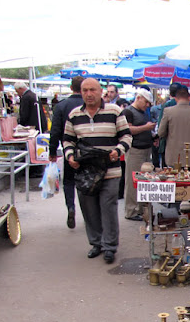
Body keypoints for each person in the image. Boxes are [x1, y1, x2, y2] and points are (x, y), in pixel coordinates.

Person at [62, 78, 132, 264]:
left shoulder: (115, 111)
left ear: (101, 91)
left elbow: (126, 136)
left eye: (92, 90)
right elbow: (68, 140)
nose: (89, 94)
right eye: (85, 90)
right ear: (81, 92)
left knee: (108, 207)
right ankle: (96, 243)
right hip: (85, 172)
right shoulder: (74, 115)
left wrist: (118, 151)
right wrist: (70, 157)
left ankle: (110, 246)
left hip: (110, 170)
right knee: (89, 208)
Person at [49, 76, 85, 229]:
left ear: (71, 88)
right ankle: (88, 214)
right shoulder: (89, 104)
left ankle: (71, 207)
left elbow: (55, 130)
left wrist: (52, 151)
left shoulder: (62, 106)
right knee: (87, 182)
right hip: (87, 150)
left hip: (68, 150)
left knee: (69, 181)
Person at [122, 88, 154, 221]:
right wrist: (146, 128)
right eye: (146, 102)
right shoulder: (128, 111)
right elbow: (128, 129)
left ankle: (140, 209)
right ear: (139, 98)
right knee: (132, 181)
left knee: (143, 181)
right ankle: (131, 210)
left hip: (146, 149)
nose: (147, 105)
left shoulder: (144, 112)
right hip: (135, 150)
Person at [157, 86, 190, 169]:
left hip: (173, 155)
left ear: (176, 98)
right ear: (189, 98)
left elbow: (160, 132)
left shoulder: (168, 111)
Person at [157, 82, 181, 168]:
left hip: (169, 144)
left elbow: (161, 128)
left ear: (170, 93)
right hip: (186, 145)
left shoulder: (167, 105)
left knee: (169, 172)